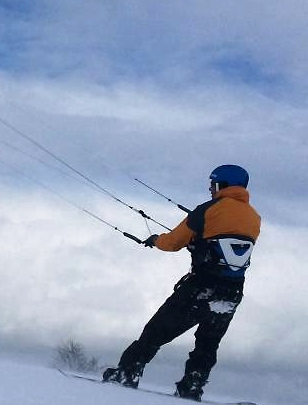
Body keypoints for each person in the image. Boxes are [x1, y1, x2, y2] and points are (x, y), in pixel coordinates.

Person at [102, 164, 261, 401]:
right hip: (232, 293)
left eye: (213, 183)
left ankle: (128, 372)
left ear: (223, 185)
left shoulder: (208, 210)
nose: (210, 188)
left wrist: (156, 240)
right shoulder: (254, 217)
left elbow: (173, 242)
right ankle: (192, 386)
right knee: (208, 343)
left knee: (156, 331)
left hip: (200, 287)